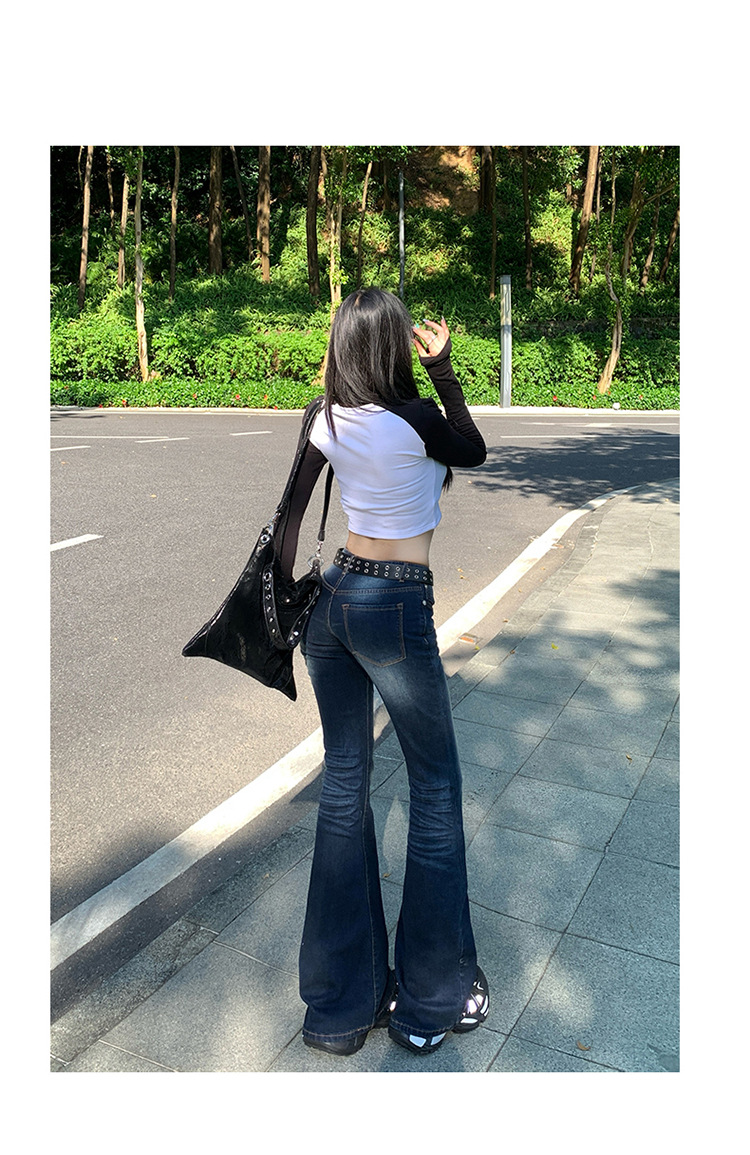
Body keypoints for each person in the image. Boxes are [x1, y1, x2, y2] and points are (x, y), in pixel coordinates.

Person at [279, 286, 490, 1058]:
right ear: (395, 345)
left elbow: (289, 519)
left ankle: (339, 1007)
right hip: (395, 605)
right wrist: (444, 368)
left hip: (331, 603)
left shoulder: (324, 416)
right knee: (433, 787)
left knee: (344, 787)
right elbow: (472, 449)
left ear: (341, 344)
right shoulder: (417, 418)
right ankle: (428, 1000)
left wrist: (280, 614)